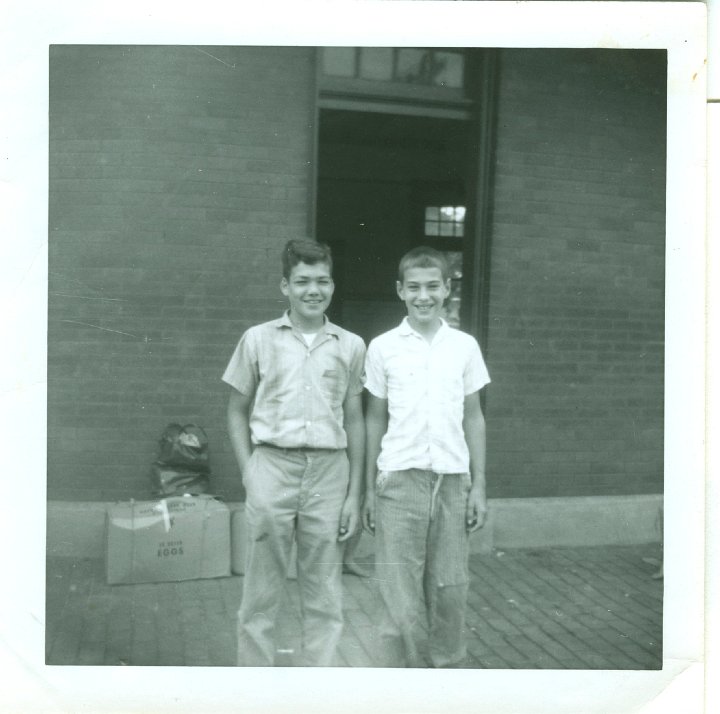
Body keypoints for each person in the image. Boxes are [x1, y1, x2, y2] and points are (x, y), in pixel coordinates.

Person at [223, 239, 365, 667]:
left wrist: (354, 494)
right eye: (302, 281)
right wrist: (250, 471)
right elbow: (235, 411)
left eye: (322, 280)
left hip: (328, 472)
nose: (313, 290)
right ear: (285, 285)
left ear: (333, 285)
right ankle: (255, 685)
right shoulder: (257, 339)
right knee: (262, 590)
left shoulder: (350, 345)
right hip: (272, 465)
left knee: (324, 589)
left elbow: (354, 419)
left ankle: (316, 685)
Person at [363, 246, 491, 668]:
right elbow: (374, 419)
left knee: (450, 588)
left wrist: (480, 487)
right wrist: (368, 489)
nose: (423, 296)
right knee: (399, 592)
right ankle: (401, 685)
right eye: (414, 287)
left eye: (432, 286)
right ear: (400, 290)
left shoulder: (465, 346)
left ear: (447, 288)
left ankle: (444, 684)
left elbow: (473, 416)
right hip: (399, 481)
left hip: (453, 483)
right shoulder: (382, 348)